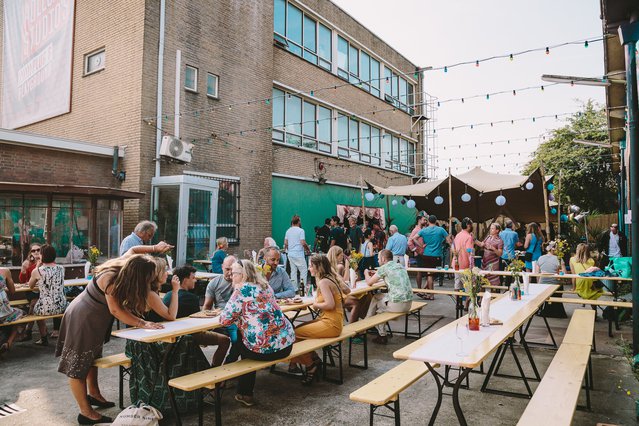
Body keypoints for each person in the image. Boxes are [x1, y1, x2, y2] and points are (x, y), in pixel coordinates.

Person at [55, 243, 174, 425]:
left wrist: (156, 248)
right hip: (83, 317)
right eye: (147, 278)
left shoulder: (128, 263)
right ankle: (85, 413)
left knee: (91, 358)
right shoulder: (111, 278)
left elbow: (134, 250)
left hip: (95, 318)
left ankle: (94, 394)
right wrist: (143, 323)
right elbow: (116, 311)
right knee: (77, 366)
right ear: (138, 275)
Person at [219, 259, 295, 406]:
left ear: (243, 275)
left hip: (265, 351)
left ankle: (226, 379)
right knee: (246, 337)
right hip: (285, 347)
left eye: (233, 273)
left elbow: (224, 320)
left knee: (239, 337)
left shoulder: (241, 290)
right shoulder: (265, 286)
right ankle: (241, 390)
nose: (230, 276)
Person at [289, 254, 349, 385]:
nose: (309, 268)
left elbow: (329, 304)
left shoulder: (323, 282)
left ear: (318, 267)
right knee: (297, 331)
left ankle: (311, 365)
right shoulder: (329, 278)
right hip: (334, 321)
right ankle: (314, 360)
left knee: (292, 334)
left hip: (331, 324)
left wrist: (316, 305)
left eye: (311, 265)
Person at [158, 265, 230, 367]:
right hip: (188, 335)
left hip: (170, 334)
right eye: (193, 278)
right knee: (225, 340)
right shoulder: (191, 298)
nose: (195, 280)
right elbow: (198, 324)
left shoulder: (168, 294)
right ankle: (213, 370)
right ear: (186, 280)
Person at [363, 249, 414, 344]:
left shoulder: (383, 268)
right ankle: (369, 321)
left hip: (397, 305)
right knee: (377, 297)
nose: (377, 261)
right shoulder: (400, 266)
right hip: (409, 303)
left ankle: (367, 324)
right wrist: (378, 275)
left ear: (383, 258)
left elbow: (369, 283)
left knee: (379, 311)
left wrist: (366, 273)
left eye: (378, 258)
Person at [27, 245, 68, 346]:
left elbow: (30, 286)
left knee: (35, 308)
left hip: (45, 307)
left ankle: (43, 337)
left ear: (42, 256)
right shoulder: (61, 268)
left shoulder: (37, 271)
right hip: (62, 305)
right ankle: (62, 335)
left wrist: (37, 266)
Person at [413, 215, 450, 294]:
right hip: (437, 255)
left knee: (429, 275)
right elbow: (448, 240)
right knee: (433, 275)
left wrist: (421, 245)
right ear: (436, 221)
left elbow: (413, 238)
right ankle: (431, 294)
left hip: (426, 255)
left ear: (428, 221)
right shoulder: (441, 230)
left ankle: (428, 292)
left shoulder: (424, 230)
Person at [535, 241, 567, 318]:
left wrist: (539, 284)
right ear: (553, 249)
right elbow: (564, 274)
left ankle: (543, 309)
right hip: (555, 285)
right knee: (560, 285)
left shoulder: (540, 258)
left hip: (542, 285)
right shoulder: (559, 259)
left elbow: (537, 274)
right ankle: (556, 310)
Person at [17, 243, 42, 342]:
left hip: (44, 292)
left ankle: (28, 331)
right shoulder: (28, 264)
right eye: (33, 250)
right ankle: (29, 331)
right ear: (30, 253)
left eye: (38, 250)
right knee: (34, 302)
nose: (36, 252)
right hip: (32, 291)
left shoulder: (45, 262)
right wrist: (23, 270)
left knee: (34, 304)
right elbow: (22, 281)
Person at [0, 268, 25, 355]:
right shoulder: (4, 271)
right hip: (4, 313)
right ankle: (8, 343)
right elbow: (13, 291)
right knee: (22, 313)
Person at [284, 215, 310, 289]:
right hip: (298, 254)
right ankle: (303, 287)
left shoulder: (288, 231)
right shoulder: (301, 230)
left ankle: (294, 288)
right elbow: (303, 243)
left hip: (290, 254)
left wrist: (287, 249)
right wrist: (307, 249)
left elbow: (285, 243)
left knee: (293, 271)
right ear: (298, 221)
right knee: (304, 270)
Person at [453, 217, 475, 290]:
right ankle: (466, 302)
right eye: (471, 224)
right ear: (468, 225)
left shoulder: (458, 235)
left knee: (457, 286)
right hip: (465, 265)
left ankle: (457, 301)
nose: (472, 226)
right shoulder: (469, 237)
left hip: (456, 264)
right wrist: (472, 266)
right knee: (469, 288)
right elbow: (470, 253)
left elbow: (453, 248)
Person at [408, 214, 428, 290]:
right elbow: (409, 242)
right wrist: (416, 250)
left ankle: (423, 289)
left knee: (424, 271)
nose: (425, 221)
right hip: (420, 253)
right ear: (419, 221)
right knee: (419, 271)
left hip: (423, 253)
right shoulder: (416, 230)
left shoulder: (422, 229)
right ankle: (419, 289)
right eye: (424, 220)